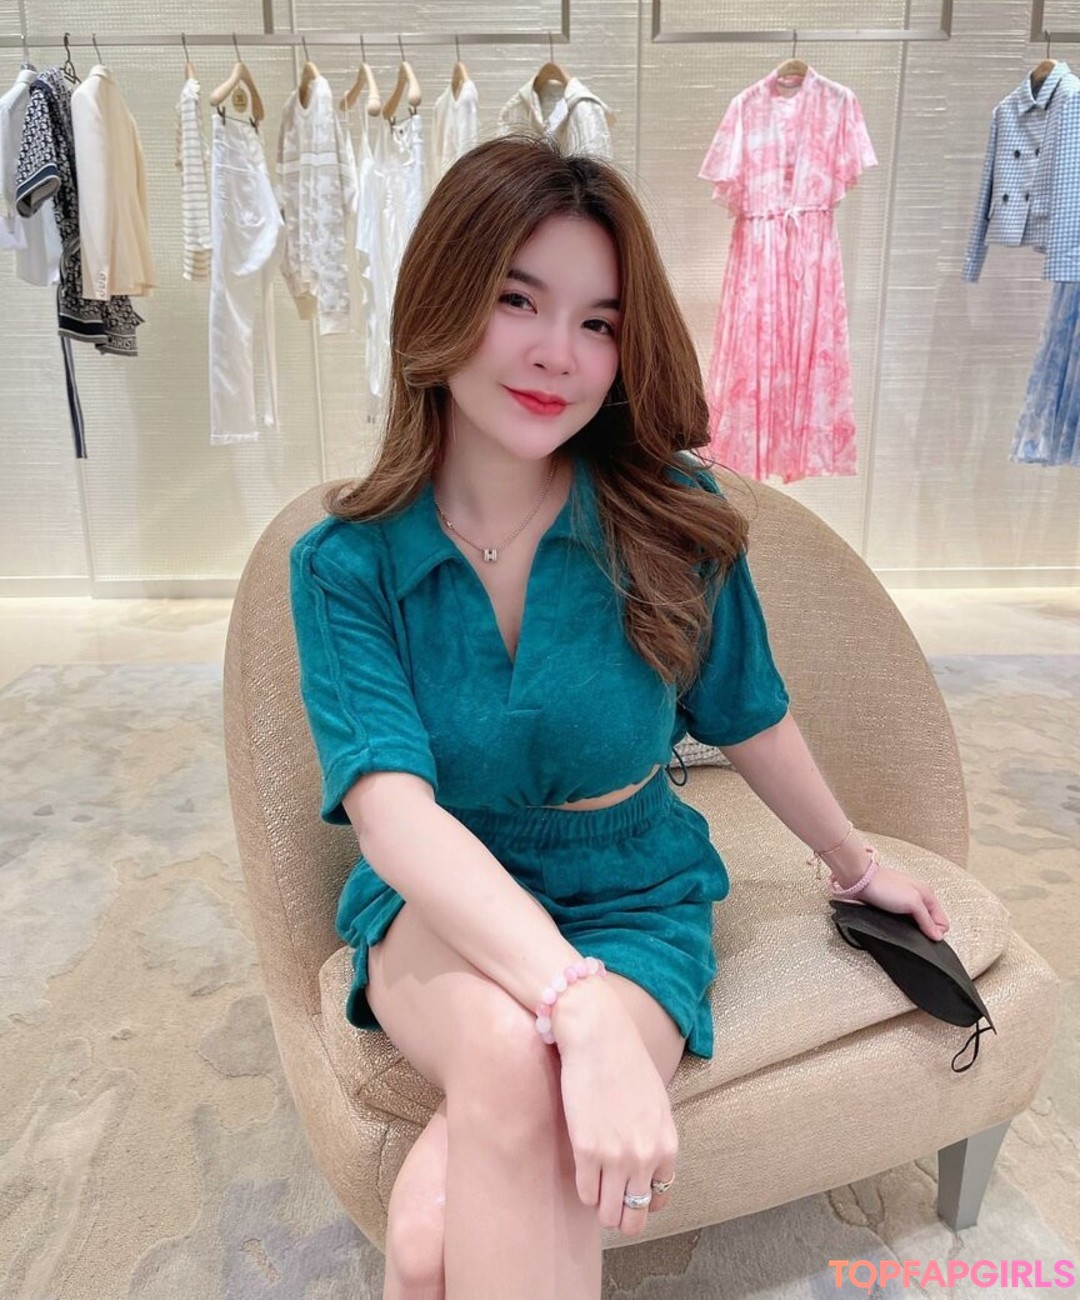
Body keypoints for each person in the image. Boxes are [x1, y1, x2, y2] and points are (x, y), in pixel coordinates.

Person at [288, 133, 952, 1300]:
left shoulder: (667, 513)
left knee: (430, 1245)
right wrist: (570, 997)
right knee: (510, 1056)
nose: (559, 352)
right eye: (518, 301)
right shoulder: (346, 562)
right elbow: (393, 818)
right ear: (442, 301)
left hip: (632, 891)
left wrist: (857, 866)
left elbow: (750, 713)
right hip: (439, 896)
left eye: (598, 321)